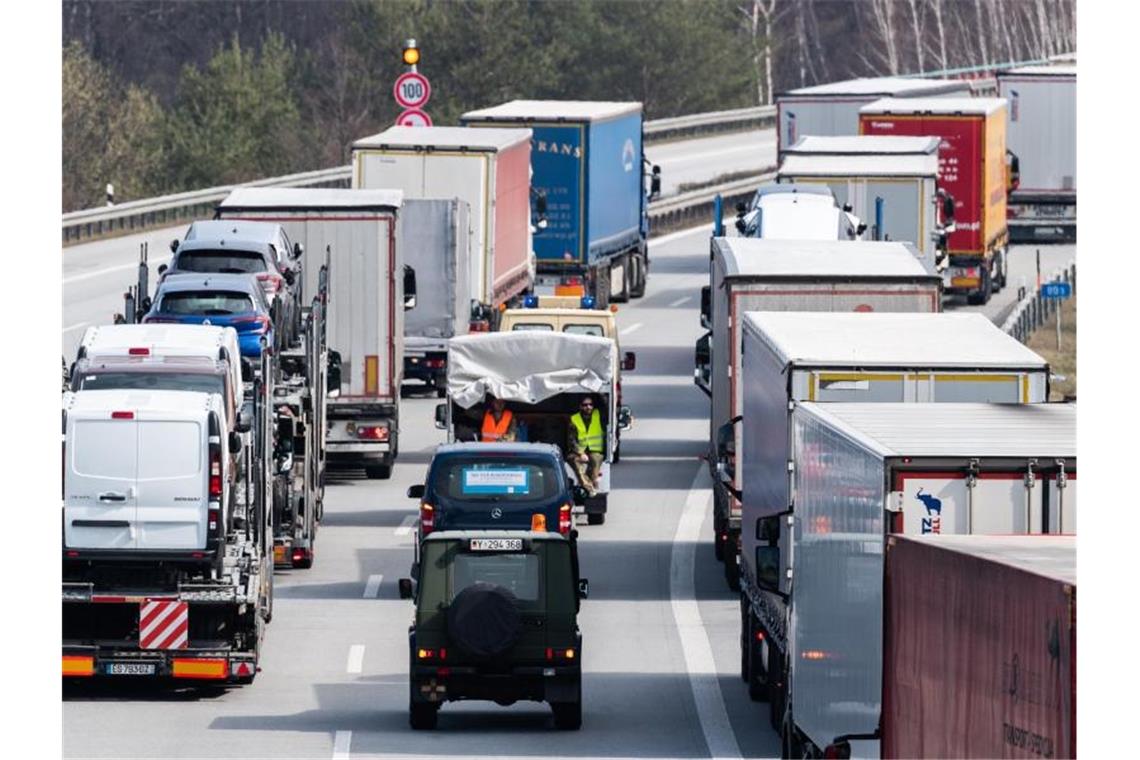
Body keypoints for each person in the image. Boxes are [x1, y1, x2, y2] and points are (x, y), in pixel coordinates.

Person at [569, 396, 604, 496]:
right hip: (580, 451)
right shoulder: (574, 419)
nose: (588, 407)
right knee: (573, 460)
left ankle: (593, 482)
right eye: (585, 405)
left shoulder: (599, 415)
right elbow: (571, 439)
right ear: (580, 407)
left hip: (595, 450)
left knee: (595, 460)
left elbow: (605, 403)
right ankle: (588, 486)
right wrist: (580, 453)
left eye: (590, 405)